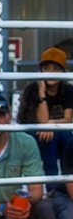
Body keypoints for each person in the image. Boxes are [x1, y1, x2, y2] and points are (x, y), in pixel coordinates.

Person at [16, 47, 73, 179]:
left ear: (63, 71)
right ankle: (52, 184)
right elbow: (41, 122)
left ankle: (67, 182)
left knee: (65, 135)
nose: (51, 73)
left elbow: (68, 118)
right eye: (47, 68)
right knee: (49, 138)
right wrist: (42, 92)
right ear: (40, 71)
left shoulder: (68, 89)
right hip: (34, 131)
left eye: (56, 69)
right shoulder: (32, 89)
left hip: (56, 131)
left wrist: (51, 123)